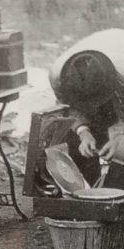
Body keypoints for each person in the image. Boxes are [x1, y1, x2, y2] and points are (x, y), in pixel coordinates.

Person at [49, 28, 124, 188]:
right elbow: (69, 107)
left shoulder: (122, 72)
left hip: (119, 71)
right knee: (78, 141)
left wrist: (119, 135)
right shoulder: (58, 76)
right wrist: (84, 132)